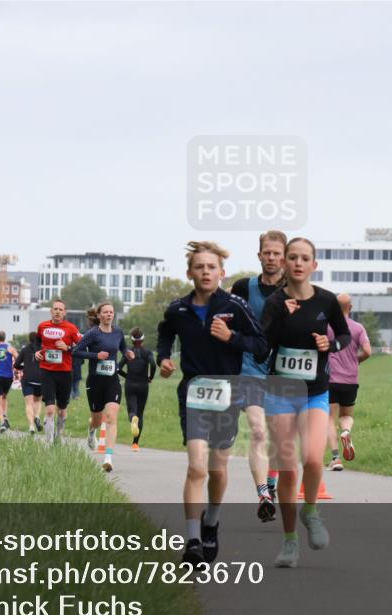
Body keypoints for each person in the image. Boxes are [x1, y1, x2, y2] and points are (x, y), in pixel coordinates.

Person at [157, 241, 268, 567]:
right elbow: (165, 334)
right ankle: (192, 541)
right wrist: (164, 358)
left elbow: (261, 346)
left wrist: (231, 338)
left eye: (211, 267)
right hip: (192, 392)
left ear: (221, 273)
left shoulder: (234, 305)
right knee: (196, 466)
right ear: (189, 272)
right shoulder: (178, 309)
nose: (205, 272)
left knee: (218, 469)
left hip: (227, 393)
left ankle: (211, 522)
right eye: (199, 267)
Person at [261, 237, 351, 568]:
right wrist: (279, 319)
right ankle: (289, 542)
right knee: (287, 469)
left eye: (305, 258)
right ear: (284, 263)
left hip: (315, 391)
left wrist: (331, 344)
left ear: (314, 265)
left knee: (313, 460)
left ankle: (310, 511)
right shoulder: (274, 303)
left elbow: (343, 337)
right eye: (292, 258)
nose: (298, 263)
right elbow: (261, 344)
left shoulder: (327, 300)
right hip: (280, 392)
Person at [231, 229, 287, 521]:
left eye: (277, 253)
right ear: (259, 255)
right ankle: (263, 493)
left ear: (285, 257)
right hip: (249, 368)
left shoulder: (295, 290)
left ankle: (273, 484)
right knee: (258, 429)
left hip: (281, 370)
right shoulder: (243, 287)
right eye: (267, 252)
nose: (272, 257)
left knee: (279, 434)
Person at [72, 303, 134, 472]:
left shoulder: (118, 332)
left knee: (111, 417)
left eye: (111, 312)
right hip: (95, 382)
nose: (109, 315)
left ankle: (108, 458)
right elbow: (75, 351)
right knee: (97, 419)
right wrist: (95, 356)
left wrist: (127, 352)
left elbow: (122, 346)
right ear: (99, 315)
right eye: (105, 312)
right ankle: (92, 430)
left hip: (112, 381)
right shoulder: (92, 334)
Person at [325, 294, 371, 471]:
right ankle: (346, 432)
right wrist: (356, 360)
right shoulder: (358, 328)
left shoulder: (326, 327)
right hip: (351, 380)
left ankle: (336, 458)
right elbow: (368, 351)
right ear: (350, 308)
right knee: (347, 415)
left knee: (330, 418)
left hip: (330, 379)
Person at [35, 299, 82, 444]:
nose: (57, 312)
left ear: (65, 312)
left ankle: (58, 436)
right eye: (55, 309)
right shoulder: (42, 326)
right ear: (51, 311)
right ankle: (48, 443)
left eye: (61, 310)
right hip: (47, 371)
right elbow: (37, 341)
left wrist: (67, 348)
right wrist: (37, 351)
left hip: (65, 372)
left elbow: (82, 348)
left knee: (62, 409)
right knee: (49, 409)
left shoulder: (72, 328)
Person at [118, 327, 156, 448]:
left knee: (132, 410)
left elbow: (118, 368)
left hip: (130, 384)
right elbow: (153, 364)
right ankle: (135, 443)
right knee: (140, 412)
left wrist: (126, 375)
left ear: (132, 340)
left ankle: (133, 418)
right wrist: (150, 377)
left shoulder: (128, 352)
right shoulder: (147, 352)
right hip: (143, 385)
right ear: (143, 339)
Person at [14, 331, 45, 435]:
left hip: (28, 379)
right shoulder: (44, 349)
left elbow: (16, 364)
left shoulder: (25, 349)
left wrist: (24, 367)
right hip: (40, 379)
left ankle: (31, 426)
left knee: (29, 403)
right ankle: (37, 416)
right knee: (38, 401)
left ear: (29, 339)